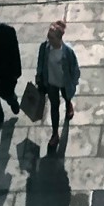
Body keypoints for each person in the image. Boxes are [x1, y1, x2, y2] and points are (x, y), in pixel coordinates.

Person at [36, 19, 80, 152]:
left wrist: (73, 82)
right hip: (51, 83)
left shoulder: (67, 52)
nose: (49, 39)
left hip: (64, 83)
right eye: (48, 37)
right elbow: (40, 63)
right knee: (54, 107)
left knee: (67, 96)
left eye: (52, 37)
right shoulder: (44, 48)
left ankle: (68, 104)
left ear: (59, 38)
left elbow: (75, 69)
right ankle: (55, 133)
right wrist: (39, 76)